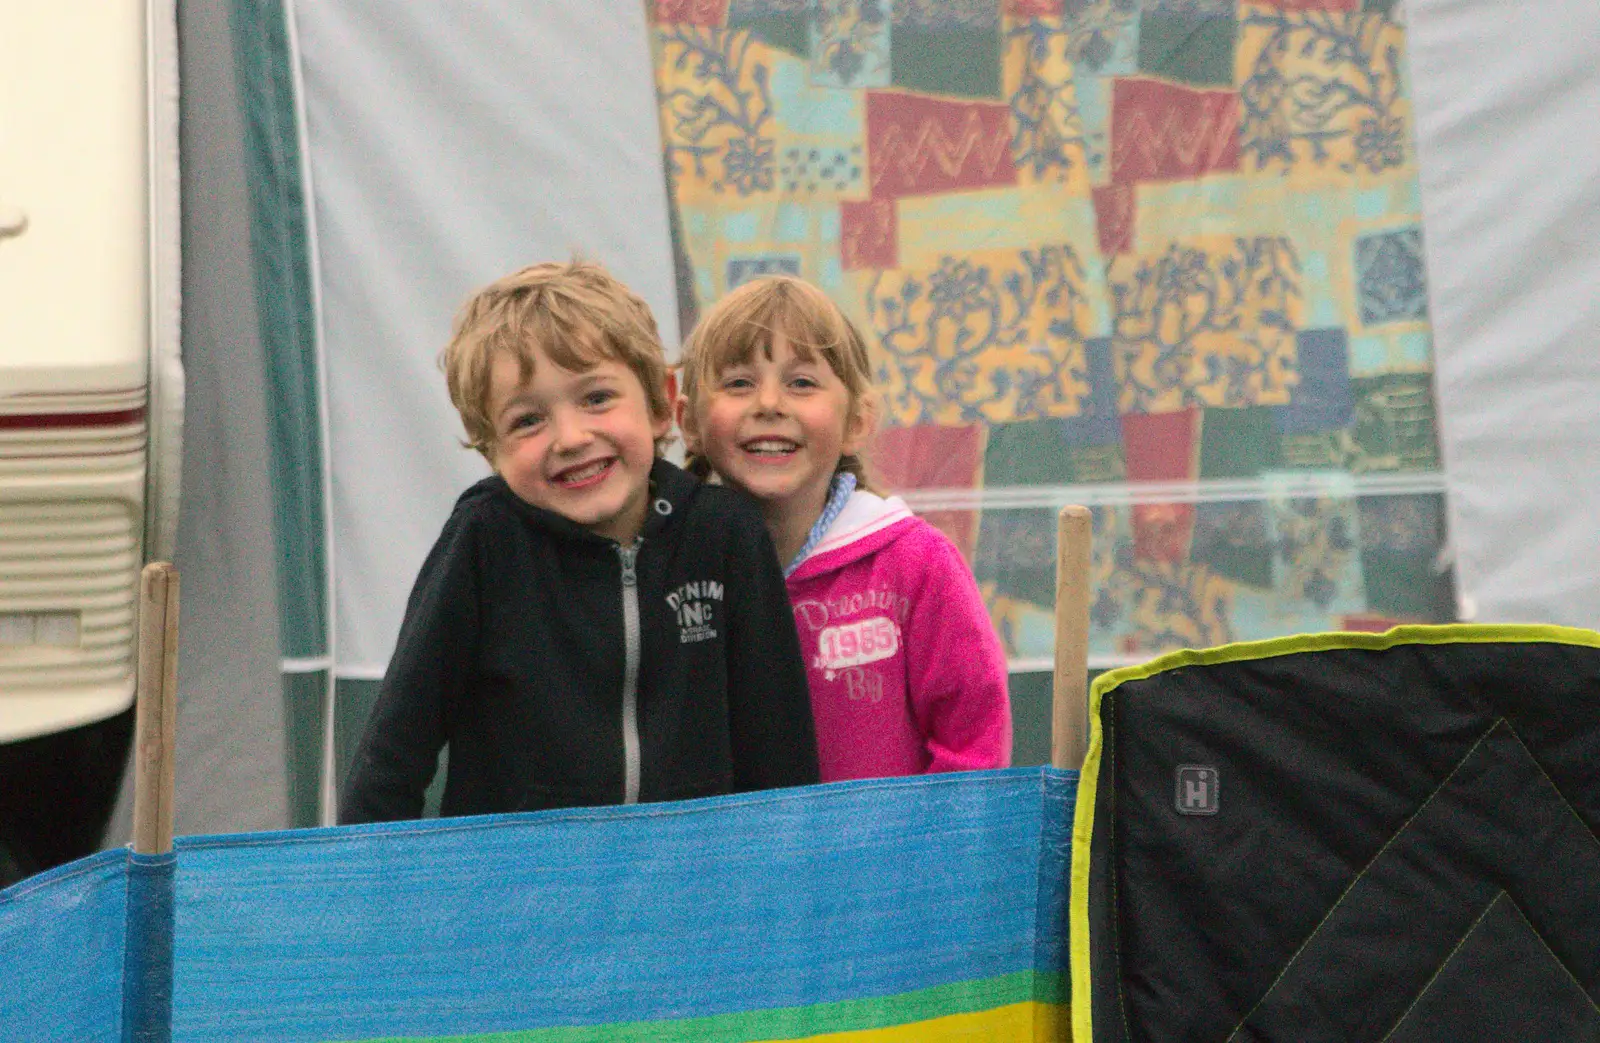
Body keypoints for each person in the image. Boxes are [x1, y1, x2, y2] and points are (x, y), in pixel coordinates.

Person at [340, 261, 818, 824]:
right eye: (527, 422)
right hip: (517, 896)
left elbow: (779, 748)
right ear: (489, 448)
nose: (570, 438)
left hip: (692, 892)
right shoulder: (483, 542)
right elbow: (393, 752)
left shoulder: (724, 535)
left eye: (596, 399)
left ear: (662, 403)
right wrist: (371, 896)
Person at [676, 276, 1011, 783]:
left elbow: (974, 741)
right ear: (689, 421)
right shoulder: (671, 567)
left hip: (894, 862)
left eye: (802, 382)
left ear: (857, 419)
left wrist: (935, 851)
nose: (769, 403)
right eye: (739, 382)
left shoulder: (916, 563)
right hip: (732, 861)